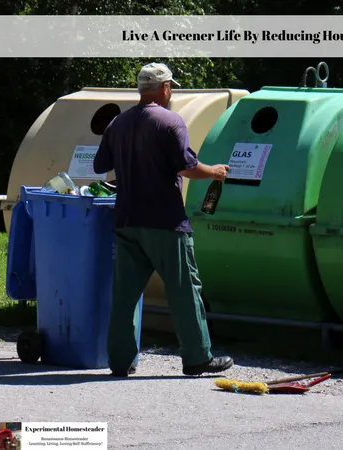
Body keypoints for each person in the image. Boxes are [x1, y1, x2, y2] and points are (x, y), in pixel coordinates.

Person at [93, 62, 234, 377]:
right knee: (184, 290)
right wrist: (215, 172)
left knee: (126, 295)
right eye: (171, 86)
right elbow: (187, 168)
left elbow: (101, 164)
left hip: (128, 220)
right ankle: (198, 357)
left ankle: (120, 361)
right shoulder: (171, 121)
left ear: (141, 90)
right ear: (165, 88)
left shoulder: (117, 123)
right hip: (166, 223)